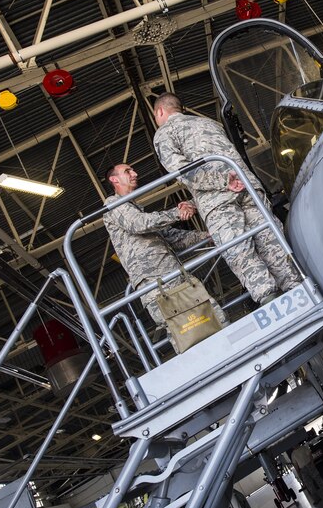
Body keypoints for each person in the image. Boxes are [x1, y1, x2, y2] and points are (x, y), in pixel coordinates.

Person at [152, 92, 301, 307]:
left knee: (239, 252)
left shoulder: (165, 133)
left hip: (218, 200)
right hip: (248, 187)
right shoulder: (208, 123)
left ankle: (273, 302)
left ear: (160, 112)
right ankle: (298, 290)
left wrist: (222, 180)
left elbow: (182, 170)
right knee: (271, 242)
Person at [103, 163, 228, 353]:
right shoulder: (113, 205)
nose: (135, 173)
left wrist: (208, 236)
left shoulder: (136, 208)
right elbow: (138, 224)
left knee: (211, 316)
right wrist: (176, 213)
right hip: (153, 284)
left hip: (173, 275)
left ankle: (231, 350)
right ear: (114, 179)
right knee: (183, 332)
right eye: (128, 171)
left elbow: (172, 237)